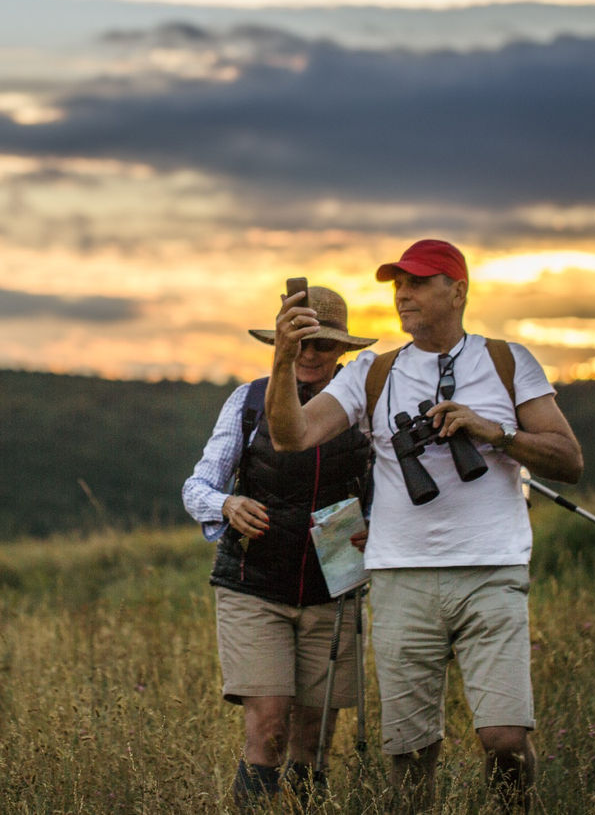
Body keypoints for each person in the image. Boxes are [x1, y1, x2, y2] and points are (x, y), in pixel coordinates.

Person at [264, 239, 583, 813]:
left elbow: (569, 459)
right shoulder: (372, 372)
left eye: (416, 282)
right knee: (410, 752)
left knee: (505, 741)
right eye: (396, 285)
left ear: (457, 290)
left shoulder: (509, 361)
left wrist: (493, 433)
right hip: (400, 576)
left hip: (492, 570)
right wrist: (282, 359)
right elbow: (292, 436)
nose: (402, 295)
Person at [182, 285, 378, 811]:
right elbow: (196, 487)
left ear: (343, 353)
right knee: (268, 727)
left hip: (335, 581)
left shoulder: (365, 407)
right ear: (281, 344)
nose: (311, 356)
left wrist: (375, 528)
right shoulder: (247, 400)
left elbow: (389, 490)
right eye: (301, 343)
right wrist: (226, 506)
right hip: (254, 582)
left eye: (325, 347)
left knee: (313, 740)